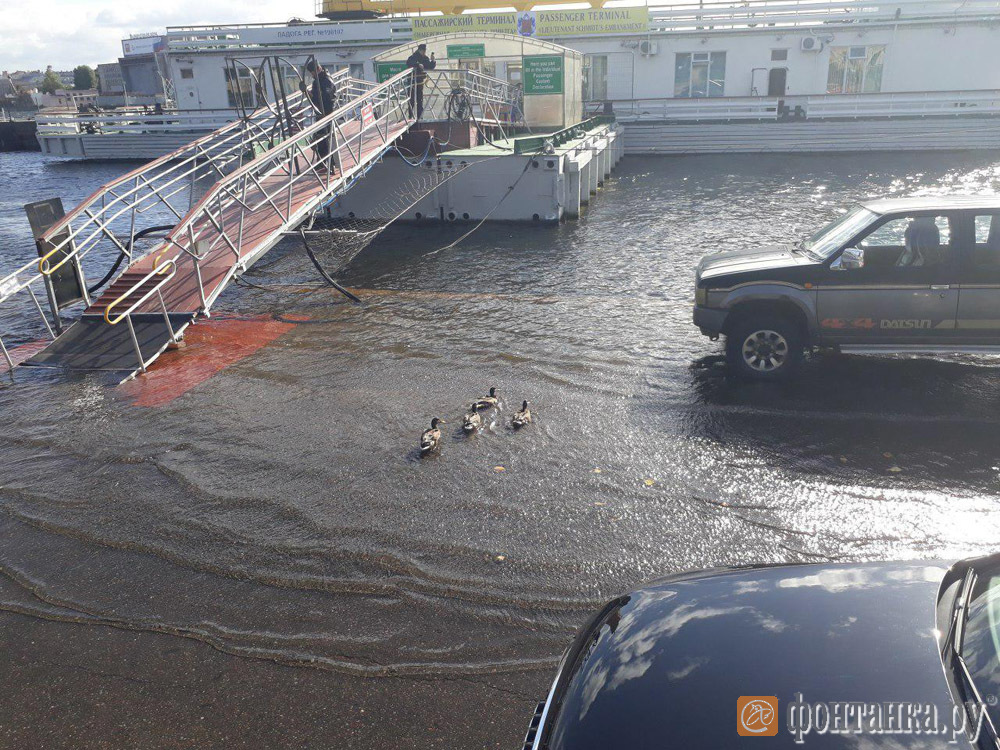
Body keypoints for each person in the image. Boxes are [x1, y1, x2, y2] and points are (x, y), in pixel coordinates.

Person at [304, 59, 338, 162]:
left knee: (324, 138)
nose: (312, 75)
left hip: (326, 113)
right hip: (322, 112)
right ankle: (323, 161)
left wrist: (309, 94)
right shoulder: (321, 79)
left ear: (318, 69)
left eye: (312, 72)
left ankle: (327, 162)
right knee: (321, 137)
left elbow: (324, 99)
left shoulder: (325, 81)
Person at [405, 43, 436, 121]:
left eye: (425, 51)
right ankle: (411, 116)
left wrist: (433, 61)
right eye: (423, 51)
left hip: (420, 81)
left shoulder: (425, 58)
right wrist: (418, 65)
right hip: (412, 81)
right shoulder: (413, 57)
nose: (424, 52)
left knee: (420, 100)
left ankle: (420, 117)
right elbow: (409, 63)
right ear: (420, 50)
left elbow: (430, 67)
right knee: (412, 99)